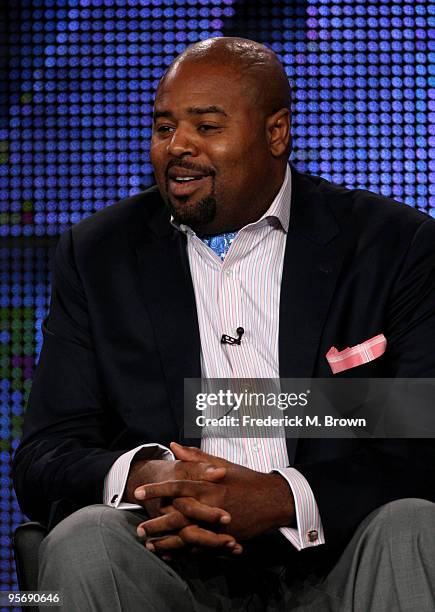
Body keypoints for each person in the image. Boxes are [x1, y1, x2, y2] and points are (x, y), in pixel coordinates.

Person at [12, 37, 435, 611]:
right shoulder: (98, 255)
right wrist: (150, 477)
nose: (177, 147)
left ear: (275, 133)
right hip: (163, 563)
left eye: (206, 127)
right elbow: (45, 454)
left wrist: (283, 497)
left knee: (413, 526)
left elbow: (422, 434)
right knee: (84, 542)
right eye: (163, 128)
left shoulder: (391, 245)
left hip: (337, 555)